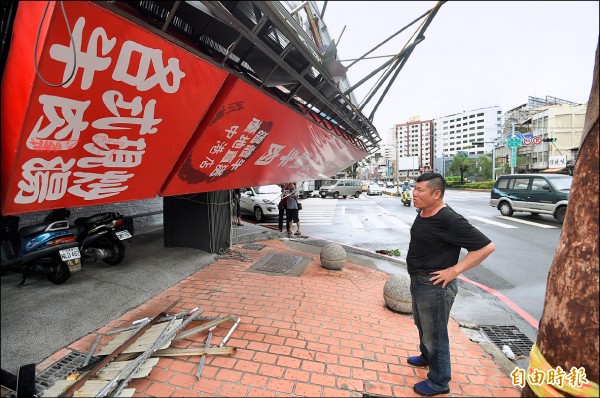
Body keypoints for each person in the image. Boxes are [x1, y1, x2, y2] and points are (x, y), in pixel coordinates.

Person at [406, 172, 495, 396]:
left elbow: (486, 247)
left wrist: (454, 271)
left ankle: (439, 381)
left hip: (435, 286)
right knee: (422, 325)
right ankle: (427, 357)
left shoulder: (449, 219)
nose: (414, 194)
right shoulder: (424, 210)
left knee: (436, 334)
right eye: (414, 188)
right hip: (418, 280)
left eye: (420, 190)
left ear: (437, 194)